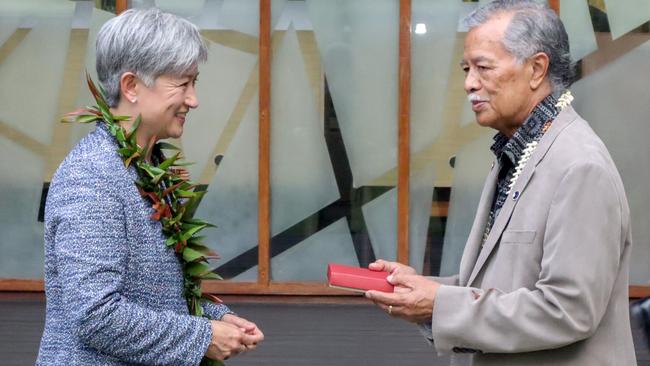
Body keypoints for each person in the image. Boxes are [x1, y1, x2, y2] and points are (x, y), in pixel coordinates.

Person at [366, 1, 636, 365]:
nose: (469, 84)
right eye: (466, 68)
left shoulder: (579, 166)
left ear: (537, 69)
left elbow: (567, 310)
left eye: (483, 67)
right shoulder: (521, 149)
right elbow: (500, 286)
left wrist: (440, 304)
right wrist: (424, 291)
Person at [36, 8, 263, 365]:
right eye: (182, 83)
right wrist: (203, 337)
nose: (193, 99)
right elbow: (96, 315)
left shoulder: (147, 165)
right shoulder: (92, 175)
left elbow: (152, 293)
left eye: (194, 83)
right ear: (131, 86)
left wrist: (216, 318)